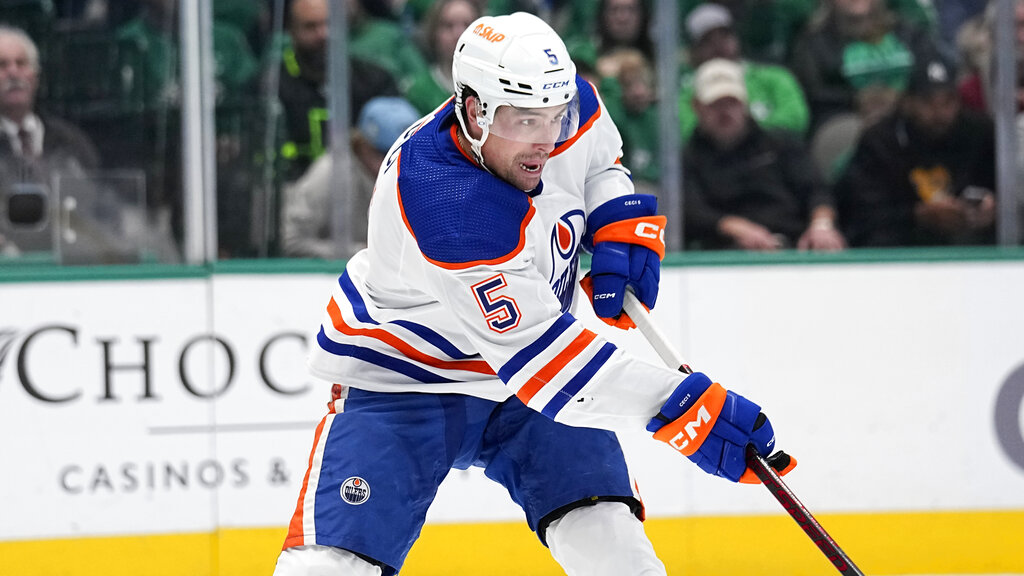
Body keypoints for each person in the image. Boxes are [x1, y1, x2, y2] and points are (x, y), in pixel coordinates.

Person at [272, 13, 795, 576]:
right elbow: (547, 368)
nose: (547, 140)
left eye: (555, 116)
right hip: (407, 380)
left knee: (615, 546)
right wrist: (681, 408)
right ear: (474, 111)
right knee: (330, 567)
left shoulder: (562, 106)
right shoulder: (440, 196)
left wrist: (613, 215)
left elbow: (600, 158)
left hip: (528, 378)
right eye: (525, 121)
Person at [683, 59, 846, 251]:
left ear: (745, 103)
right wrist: (735, 228)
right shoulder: (688, 159)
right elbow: (692, 212)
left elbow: (815, 190)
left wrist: (821, 226)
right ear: (697, 106)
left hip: (796, 245)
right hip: (726, 254)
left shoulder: (782, 144)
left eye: (732, 102)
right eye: (715, 104)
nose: (725, 112)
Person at [835, 57, 997, 246]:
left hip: (974, 245)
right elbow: (860, 211)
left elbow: (1004, 187)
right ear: (907, 102)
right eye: (928, 102)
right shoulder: (879, 141)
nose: (939, 112)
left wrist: (994, 207)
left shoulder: (980, 132)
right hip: (899, 247)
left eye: (948, 101)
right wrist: (916, 215)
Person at [0, 24, 105, 257]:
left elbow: (102, 209)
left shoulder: (71, 141)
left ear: (35, 76)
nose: (13, 73)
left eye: (21, 63)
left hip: (74, 267)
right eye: (2, 65)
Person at [280, 96, 422, 258]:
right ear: (361, 146)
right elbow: (290, 241)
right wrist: (361, 253)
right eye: (386, 154)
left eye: (406, 154)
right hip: (330, 279)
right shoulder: (329, 174)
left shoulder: (421, 175)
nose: (397, 163)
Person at [276, 0, 401, 181]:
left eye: (330, 24)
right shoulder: (269, 86)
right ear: (291, 31)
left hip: (364, 188)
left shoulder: (377, 80)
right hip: (293, 193)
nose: (323, 34)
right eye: (311, 26)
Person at [789, 0, 945, 133]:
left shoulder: (907, 32)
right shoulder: (815, 42)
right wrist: (854, 100)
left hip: (909, 113)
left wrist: (903, 99)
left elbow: (932, 71)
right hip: (844, 119)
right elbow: (811, 92)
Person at [678, 2, 810, 142]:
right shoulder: (686, 95)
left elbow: (796, 119)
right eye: (707, 40)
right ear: (693, 51)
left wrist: (746, 133)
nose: (718, 45)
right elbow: (686, 133)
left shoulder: (775, 78)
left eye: (724, 35)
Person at [405, 0, 481, 115]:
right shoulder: (418, 91)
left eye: (467, 25)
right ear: (434, 33)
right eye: (448, 26)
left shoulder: (495, 84)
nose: (458, 34)